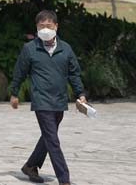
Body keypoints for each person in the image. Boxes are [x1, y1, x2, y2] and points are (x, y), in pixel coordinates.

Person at [10, 10, 86, 185]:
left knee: (48, 136)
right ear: (36, 28)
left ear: (56, 27)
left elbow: (74, 74)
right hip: (41, 101)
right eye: (41, 26)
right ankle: (64, 179)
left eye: (48, 26)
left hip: (59, 100)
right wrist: (14, 93)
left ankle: (30, 166)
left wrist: (81, 94)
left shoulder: (66, 49)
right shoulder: (30, 49)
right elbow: (19, 72)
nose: (45, 29)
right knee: (53, 140)